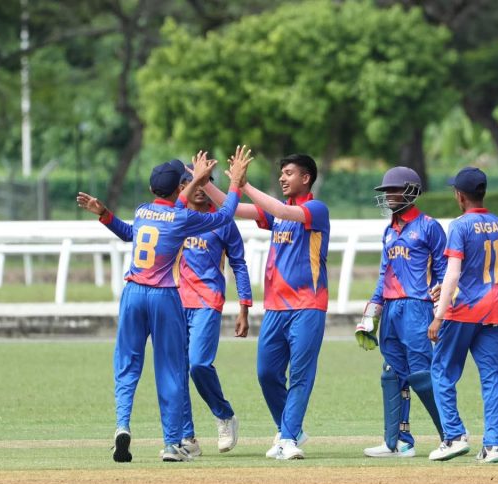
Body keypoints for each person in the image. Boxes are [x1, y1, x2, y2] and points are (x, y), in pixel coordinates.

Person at [76, 147, 251, 463]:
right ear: (179, 187)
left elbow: (130, 233)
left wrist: (105, 214)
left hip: (133, 293)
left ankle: (122, 425)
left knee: (127, 365)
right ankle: (173, 443)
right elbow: (224, 215)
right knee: (171, 370)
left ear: (151, 188)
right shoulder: (183, 217)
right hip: (165, 296)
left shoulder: (143, 210)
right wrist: (235, 183)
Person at [202, 150, 329, 460]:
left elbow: (283, 211)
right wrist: (204, 182)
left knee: (300, 375)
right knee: (266, 373)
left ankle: (288, 438)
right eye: (281, 173)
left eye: (289, 173)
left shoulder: (316, 210)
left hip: (307, 306)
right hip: (275, 308)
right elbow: (234, 208)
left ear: (306, 178)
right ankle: (289, 430)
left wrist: (243, 184)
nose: (282, 178)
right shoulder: (278, 214)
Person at [356, 166, 447, 458]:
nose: (389, 196)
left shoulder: (429, 226)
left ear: (412, 191)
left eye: (395, 190)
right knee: (392, 374)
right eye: (386, 191)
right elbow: (384, 275)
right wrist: (370, 316)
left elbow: (445, 271)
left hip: (418, 307)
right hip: (392, 309)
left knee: (420, 374)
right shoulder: (388, 231)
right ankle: (397, 442)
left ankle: (452, 435)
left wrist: (440, 309)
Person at [427, 166, 498, 464]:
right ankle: (493, 446)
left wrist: (439, 315)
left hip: (462, 311)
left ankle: (454, 436)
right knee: (494, 380)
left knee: (442, 371)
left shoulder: (459, 226)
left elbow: (453, 273)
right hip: (494, 310)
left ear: (460, 196)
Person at [174, 168, 253, 456]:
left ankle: (224, 415)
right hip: (174, 303)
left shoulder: (221, 221)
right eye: (190, 182)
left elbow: (239, 264)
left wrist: (244, 308)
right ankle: (187, 438)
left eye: (204, 182)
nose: (198, 188)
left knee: (198, 365)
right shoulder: (176, 217)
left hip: (208, 301)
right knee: (177, 370)